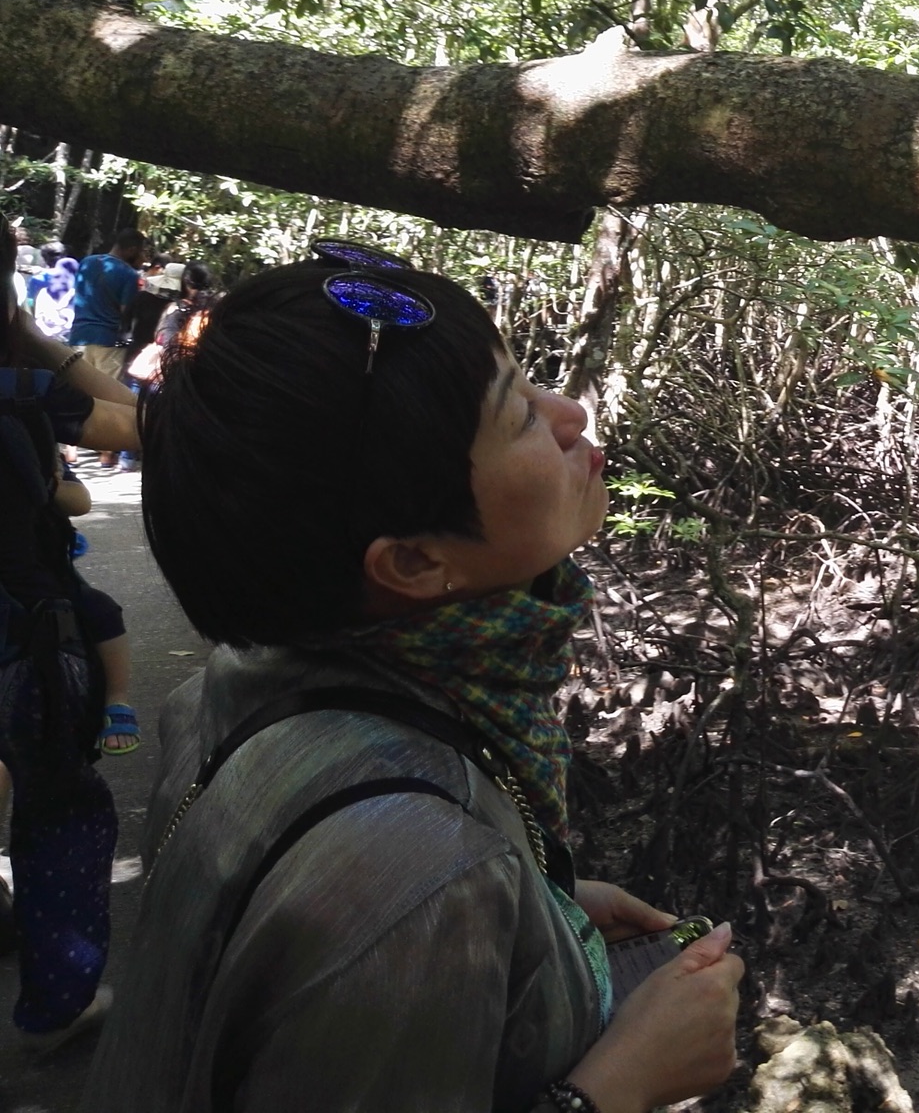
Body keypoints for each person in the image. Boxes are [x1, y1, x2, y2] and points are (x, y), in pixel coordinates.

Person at [84, 251, 742, 1113]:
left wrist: (530, 914)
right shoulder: (421, 862)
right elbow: (375, 885)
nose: (570, 413)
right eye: (516, 416)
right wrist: (616, 1087)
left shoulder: (247, 683)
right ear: (415, 561)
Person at [0, 277, 141, 1052]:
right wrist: (48, 349)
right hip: (24, 653)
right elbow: (150, 424)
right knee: (61, 813)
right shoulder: (22, 394)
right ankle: (59, 1000)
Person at [67, 229, 145, 469]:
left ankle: (70, 450)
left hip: (78, 336)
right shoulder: (128, 274)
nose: (143, 256)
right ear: (131, 249)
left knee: (75, 390)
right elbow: (126, 311)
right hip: (109, 340)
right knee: (107, 394)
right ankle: (106, 453)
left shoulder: (87, 262)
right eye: (142, 251)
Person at [31, 258, 77, 341]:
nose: (62, 278)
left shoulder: (76, 296)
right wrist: (47, 332)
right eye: (59, 274)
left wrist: (58, 333)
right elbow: (38, 318)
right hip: (42, 338)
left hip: (66, 341)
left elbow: (72, 323)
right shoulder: (44, 293)